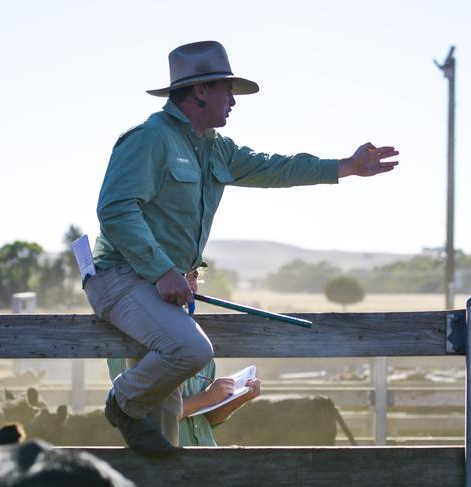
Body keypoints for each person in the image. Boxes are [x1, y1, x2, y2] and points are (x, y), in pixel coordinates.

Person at [85, 40, 399, 457]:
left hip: (161, 287)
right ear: (199, 91)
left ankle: (144, 438)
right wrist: (163, 271)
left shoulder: (214, 147)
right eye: (226, 89)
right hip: (122, 278)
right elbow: (115, 208)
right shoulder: (149, 139)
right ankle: (122, 402)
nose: (233, 100)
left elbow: (276, 166)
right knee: (191, 349)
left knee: (161, 442)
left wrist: (346, 166)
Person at [106, 270, 261, 447]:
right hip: (163, 461)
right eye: (182, 273)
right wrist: (206, 398)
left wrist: (237, 399)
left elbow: (207, 419)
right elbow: (138, 413)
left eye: (194, 275)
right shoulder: (133, 338)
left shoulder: (198, 343)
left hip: (206, 456)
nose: (192, 283)